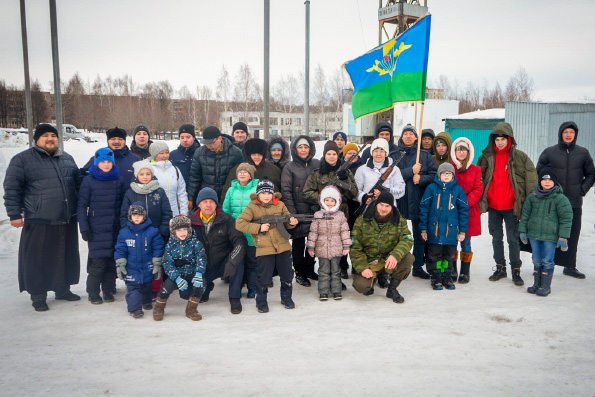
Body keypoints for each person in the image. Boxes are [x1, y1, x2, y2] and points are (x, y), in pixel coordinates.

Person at [4, 123, 82, 311]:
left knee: (65, 255)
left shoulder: (67, 159)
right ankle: (38, 295)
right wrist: (14, 214)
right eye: (45, 136)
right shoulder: (22, 160)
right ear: (36, 139)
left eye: (53, 136)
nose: (50, 139)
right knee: (38, 259)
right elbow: (12, 189)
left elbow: (78, 184)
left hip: (66, 217)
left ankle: (62, 289)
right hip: (39, 218)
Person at [477, 122, 537, 286]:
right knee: (496, 238)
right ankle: (500, 268)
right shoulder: (485, 158)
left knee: (513, 239)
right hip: (494, 207)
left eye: (503, 138)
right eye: (497, 139)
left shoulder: (520, 157)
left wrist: (529, 204)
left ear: (510, 139)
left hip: (512, 207)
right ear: (493, 140)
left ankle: (516, 270)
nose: (500, 142)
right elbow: (476, 178)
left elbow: (531, 181)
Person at [536, 121, 595, 279]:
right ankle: (545, 263)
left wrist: (582, 189)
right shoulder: (549, 152)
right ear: (560, 134)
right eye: (565, 132)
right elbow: (539, 172)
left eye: (571, 132)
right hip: (553, 201)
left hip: (574, 202)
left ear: (575, 135)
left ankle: (570, 266)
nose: (568, 135)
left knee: (573, 234)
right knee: (550, 234)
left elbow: (591, 174)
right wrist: (547, 190)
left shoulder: (583, 153)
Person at [236, 179, 299, 313]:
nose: (266, 196)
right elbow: (239, 223)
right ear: (258, 194)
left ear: (273, 194)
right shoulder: (252, 206)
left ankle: (286, 297)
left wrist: (292, 222)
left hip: (283, 245)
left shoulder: (280, 205)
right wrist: (259, 227)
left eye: (269, 193)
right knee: (264, 276)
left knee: (287, 273)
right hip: (264, 247)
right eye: (263, 193)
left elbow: (287, 222)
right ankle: (261, 300)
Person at [302, 141, 358, 287]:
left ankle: (337, 278)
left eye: (334, 154)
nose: (332, 157)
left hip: (341, 216)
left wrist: (344, 180)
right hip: (323, 217)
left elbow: (354, 193)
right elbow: (306, 193)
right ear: (324, 155)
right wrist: (323, 199)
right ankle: (325, 280)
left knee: (339, 247)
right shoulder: (317, 173)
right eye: (329, 154)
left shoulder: (346, 172)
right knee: (325, 248)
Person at [78, 148, 126, 304]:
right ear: (97, 164)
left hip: (115, 228)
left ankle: (108, 290)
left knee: (112, 262)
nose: (106, 165)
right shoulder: (89, 180)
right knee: (98, 264)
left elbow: (124, 205)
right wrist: (84, 228)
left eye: (109, 162)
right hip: (96, 229)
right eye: (103, 162)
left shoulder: (119, 180)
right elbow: (82, 206)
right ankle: (92, 292)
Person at [189, 188, 247, 314]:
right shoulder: (190, 220)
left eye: (211, 201)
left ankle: (234, 296)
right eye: (205, 201)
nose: (208, 205)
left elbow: (240, 241)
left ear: (216, 204)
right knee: (187, 293)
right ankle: (206, 286)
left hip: (223, 263)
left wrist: (232, 261)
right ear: (199, 204)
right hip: (201, 266)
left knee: (238, 263)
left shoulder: (227, 219)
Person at [350, 192, 414, 303]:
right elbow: (355, 248)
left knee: (408, 258)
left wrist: (395, 255)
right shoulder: (362, 221)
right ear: (376, 204)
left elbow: (407, 240)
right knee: (361, 286)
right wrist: (363, 267)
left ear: (392, 207)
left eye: (387, 206)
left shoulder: (399, 220)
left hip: (388, 261)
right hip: (370, 262)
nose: (383, 209)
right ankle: (371, 280)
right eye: (381, 205)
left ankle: (392, 289)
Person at [519, 167, 573, 297]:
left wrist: (563, 237)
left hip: (550, 236)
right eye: (544, 180)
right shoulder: (533, 197)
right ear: (540, 181)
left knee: (547, 260)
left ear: (554, 181)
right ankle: (537, 284)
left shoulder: (560, 199)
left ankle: (545, 286)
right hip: (534, 235)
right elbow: (525, 214)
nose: (547, 182)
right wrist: (522, 230)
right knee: (536, 260)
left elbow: (566, 218)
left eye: (550, 180)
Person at [395, 124, 437, 279]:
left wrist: (422, 178)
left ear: (415, 138)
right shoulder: (394, 154)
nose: (408, 136)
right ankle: (396, 265)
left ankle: (418, 266)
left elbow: (434, 176)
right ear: (401, 137)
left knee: (420, 237)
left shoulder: (424, 155)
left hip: (419, 201)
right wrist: (410, 171)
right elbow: (391, 174)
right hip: (399, 202)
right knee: (397, 236)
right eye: (405, 134)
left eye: (411, 134)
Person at [419, 163, 469, 290]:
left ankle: (447, 276)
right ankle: (435, 277)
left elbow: (464, 211)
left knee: (448, 256)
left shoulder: (458, 190)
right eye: (443, 173)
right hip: (434, 231)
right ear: (439, 175)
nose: (446, 176)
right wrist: (423, 229)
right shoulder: (431, 189)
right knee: (434, 256)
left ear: (453, 176)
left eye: (449, 173)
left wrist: (462, 231)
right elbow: (424, 209)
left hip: (450, 232)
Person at [280, 135, 320, 287]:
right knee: (298, 244)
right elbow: (286, 191)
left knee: (313, 243)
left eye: (306, 147)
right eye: (300, 147)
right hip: (297, 212)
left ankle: (310, 269)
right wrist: (292, 213)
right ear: (295, 150)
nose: (303, 150)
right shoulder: (289, 167)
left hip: (314, 211)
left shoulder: (316, 164)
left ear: (311, 148)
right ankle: (300, 273)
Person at [114, 202, 164, 318]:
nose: (136, 217)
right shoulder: (124, 233)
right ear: (130, 216)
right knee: (133, 288)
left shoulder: (153, 232)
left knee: (147, 285)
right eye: (134, 215)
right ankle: (135, 309)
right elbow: (120, 249)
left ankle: (146, 301)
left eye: (139, 215)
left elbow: (158, 247)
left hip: (147, 265)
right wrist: (120, 264)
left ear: (144, 216)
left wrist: (157, 263)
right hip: (131, 267)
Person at [153, 215, 207, 321]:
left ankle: (191, 310)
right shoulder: (170, 245)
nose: (182, 232)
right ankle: (158, 308)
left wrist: (199, 273)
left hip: (192, 272)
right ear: (174, 232)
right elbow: (167, 263)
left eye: (185, 229)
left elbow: (202, 258)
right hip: (177, 274)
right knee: (165, 288)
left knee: (201, 285)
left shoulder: (195, 243)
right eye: (179, 230)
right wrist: (176, 277)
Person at [222, 163, 259, 299]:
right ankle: (237, 286)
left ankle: (252, 287)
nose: (242, 174)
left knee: (252, 261)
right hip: (236, 232)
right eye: (240, 172)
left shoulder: (256, 189)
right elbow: (226, 210)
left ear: (250, 175)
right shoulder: (231, 190)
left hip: (251, 233)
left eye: (246, 172)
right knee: (238, 261)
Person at [306, 186, 351, 301]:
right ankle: (323, 291)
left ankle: (336, 291)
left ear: (337, 202)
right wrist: (311, 246)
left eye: (332, 201)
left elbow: (344, 231)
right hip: (322, 248)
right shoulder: (318, 215)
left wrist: (346, 245)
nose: (329, 203)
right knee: (323, 271)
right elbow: (313, 232)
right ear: (322, 201)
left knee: (336, 271)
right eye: (327, 200)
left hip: (336, 248)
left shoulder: (340, 215)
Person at [450, 137, 483, 283]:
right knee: (451, 242)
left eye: (464, 149)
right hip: (451, 211)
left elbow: (478, 189)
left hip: (468, 211)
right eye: (458, 149)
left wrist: (463, 203)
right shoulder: (449, 167)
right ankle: (452, 270)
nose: (461, 152)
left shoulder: (476, 169)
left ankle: (465, 271)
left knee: (466, 242)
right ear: (454, 151)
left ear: (469, 152)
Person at [187, 126, 243, 205]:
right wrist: (191, 198)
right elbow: (194, 177)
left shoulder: (236, 152)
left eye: (211, 143)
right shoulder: (199, 153)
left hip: (228, 197)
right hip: (207, 198)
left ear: (220, 139)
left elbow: (239, 179)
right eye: (206, 144)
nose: (209, 146)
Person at [120, 160, 172, 240]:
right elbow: (124, 215)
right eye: (141, 174)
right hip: (135, 236)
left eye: (148, 174)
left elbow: (167, 213)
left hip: (157, 235)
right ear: (136, 175)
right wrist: (129, 232)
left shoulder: (160, 192)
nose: (145, 177)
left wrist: (162, 232)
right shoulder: (129, 193)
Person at [221, 138, 281, 203]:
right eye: (254, 155)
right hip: (243, 209)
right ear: (249, 155)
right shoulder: (238, 170)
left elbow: (280, 190)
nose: (256, 157)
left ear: (263, 155)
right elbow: (227, 193)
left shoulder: (274, 170)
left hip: (269, 209)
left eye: (259, 155)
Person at [149, 141, 188, 217]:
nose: (165, 155)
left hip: (175, 214)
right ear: (154, 154)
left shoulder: (175, 169)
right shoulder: (149, 170)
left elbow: (182, 192)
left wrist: (183, 212)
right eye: (161, 153)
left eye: (167, 152)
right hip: (157, 214)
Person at [169, 124, 200, 188]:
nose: (185, 140)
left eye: (188, 137)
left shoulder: (200, 154)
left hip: (197, 193)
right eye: (182, 137)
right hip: (179, 193)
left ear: (194, 138)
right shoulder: (172, 155)